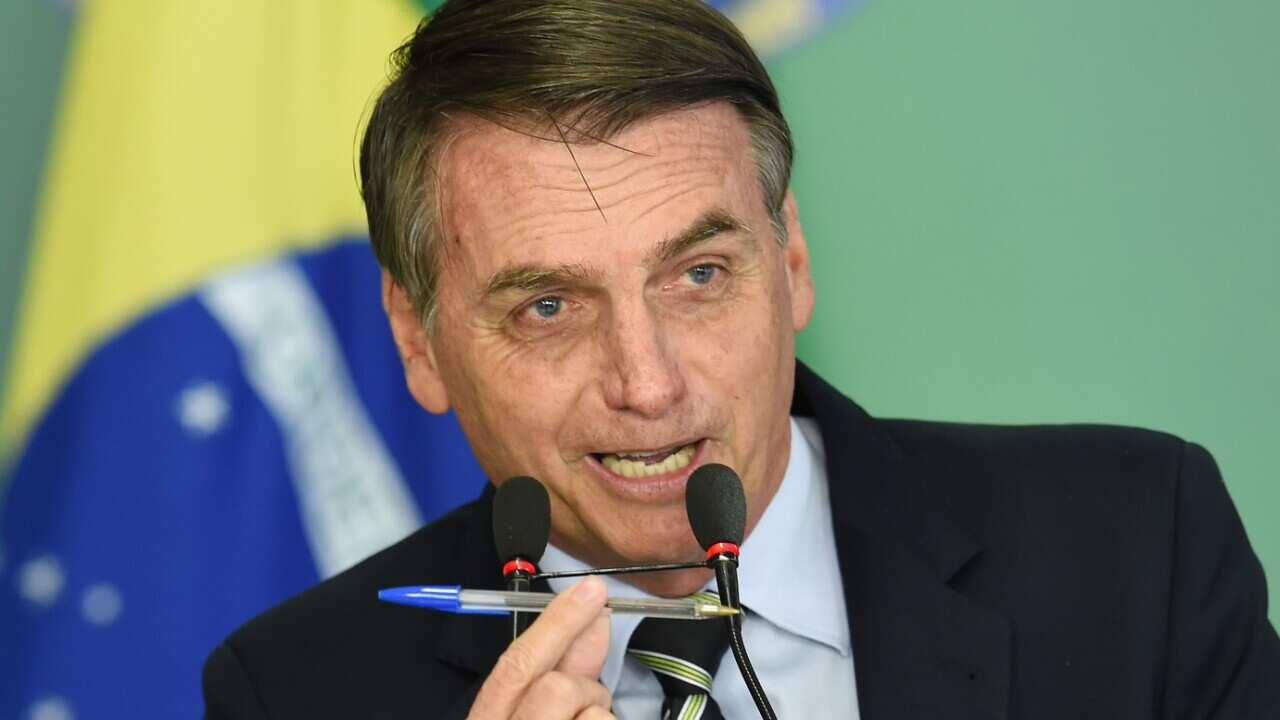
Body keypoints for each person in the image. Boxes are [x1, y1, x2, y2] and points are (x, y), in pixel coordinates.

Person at [202, 1, 1280, 718]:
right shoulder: (298, 692)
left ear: (791, 259)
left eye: (699, 275)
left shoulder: (1135, 550)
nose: (648, 383)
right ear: (417, 339)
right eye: (548, 307)